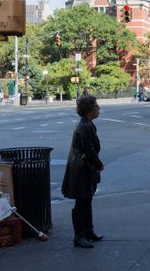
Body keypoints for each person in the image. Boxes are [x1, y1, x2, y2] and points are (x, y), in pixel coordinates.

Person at [62, 96, 105, 248]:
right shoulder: (85, 126)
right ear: (89, 109)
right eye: (96, 106)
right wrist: (99, 164)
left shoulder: (87, 124)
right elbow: (89, 149)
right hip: (81, 169)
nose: (98, 108)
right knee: (81, 202)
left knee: (87, 201)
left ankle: (88, 231)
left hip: (83, 167)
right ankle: (79, 236)